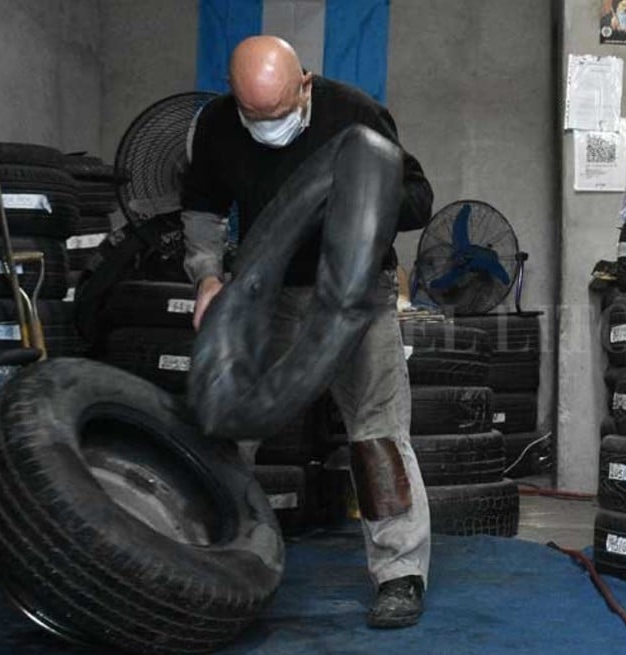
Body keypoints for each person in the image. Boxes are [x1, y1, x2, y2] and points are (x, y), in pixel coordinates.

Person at [180, 35, 433, 630]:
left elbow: (419, 198)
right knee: (226, 423)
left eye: (280, 112)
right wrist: (207, 278)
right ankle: (203, 551)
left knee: (376, 433)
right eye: (254, 117)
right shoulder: (217, 125)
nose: (268, 127)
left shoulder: (354, 113)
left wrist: (364, 197)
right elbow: (202, 210)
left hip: (357, 296)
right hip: (264, 292)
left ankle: (400, 573)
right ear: (234, 98)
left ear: (305, 84)